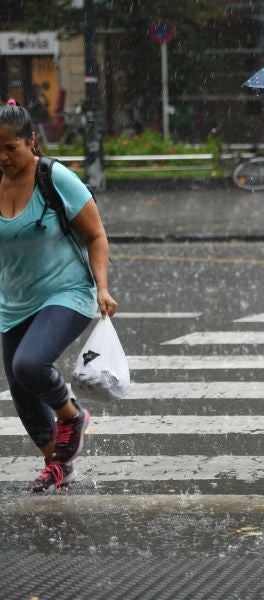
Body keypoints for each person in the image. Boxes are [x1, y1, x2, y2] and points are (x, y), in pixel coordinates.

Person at [0, 100, 118, 493]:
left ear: (32, 141)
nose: (3, 158)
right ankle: (57, 465)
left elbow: (96, 235)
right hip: (13, 302)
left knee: (30, 364)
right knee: (24, 396)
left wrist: (102, 287)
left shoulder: (55, 177)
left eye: (10, 148)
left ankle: (71, 415)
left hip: (67, 292)